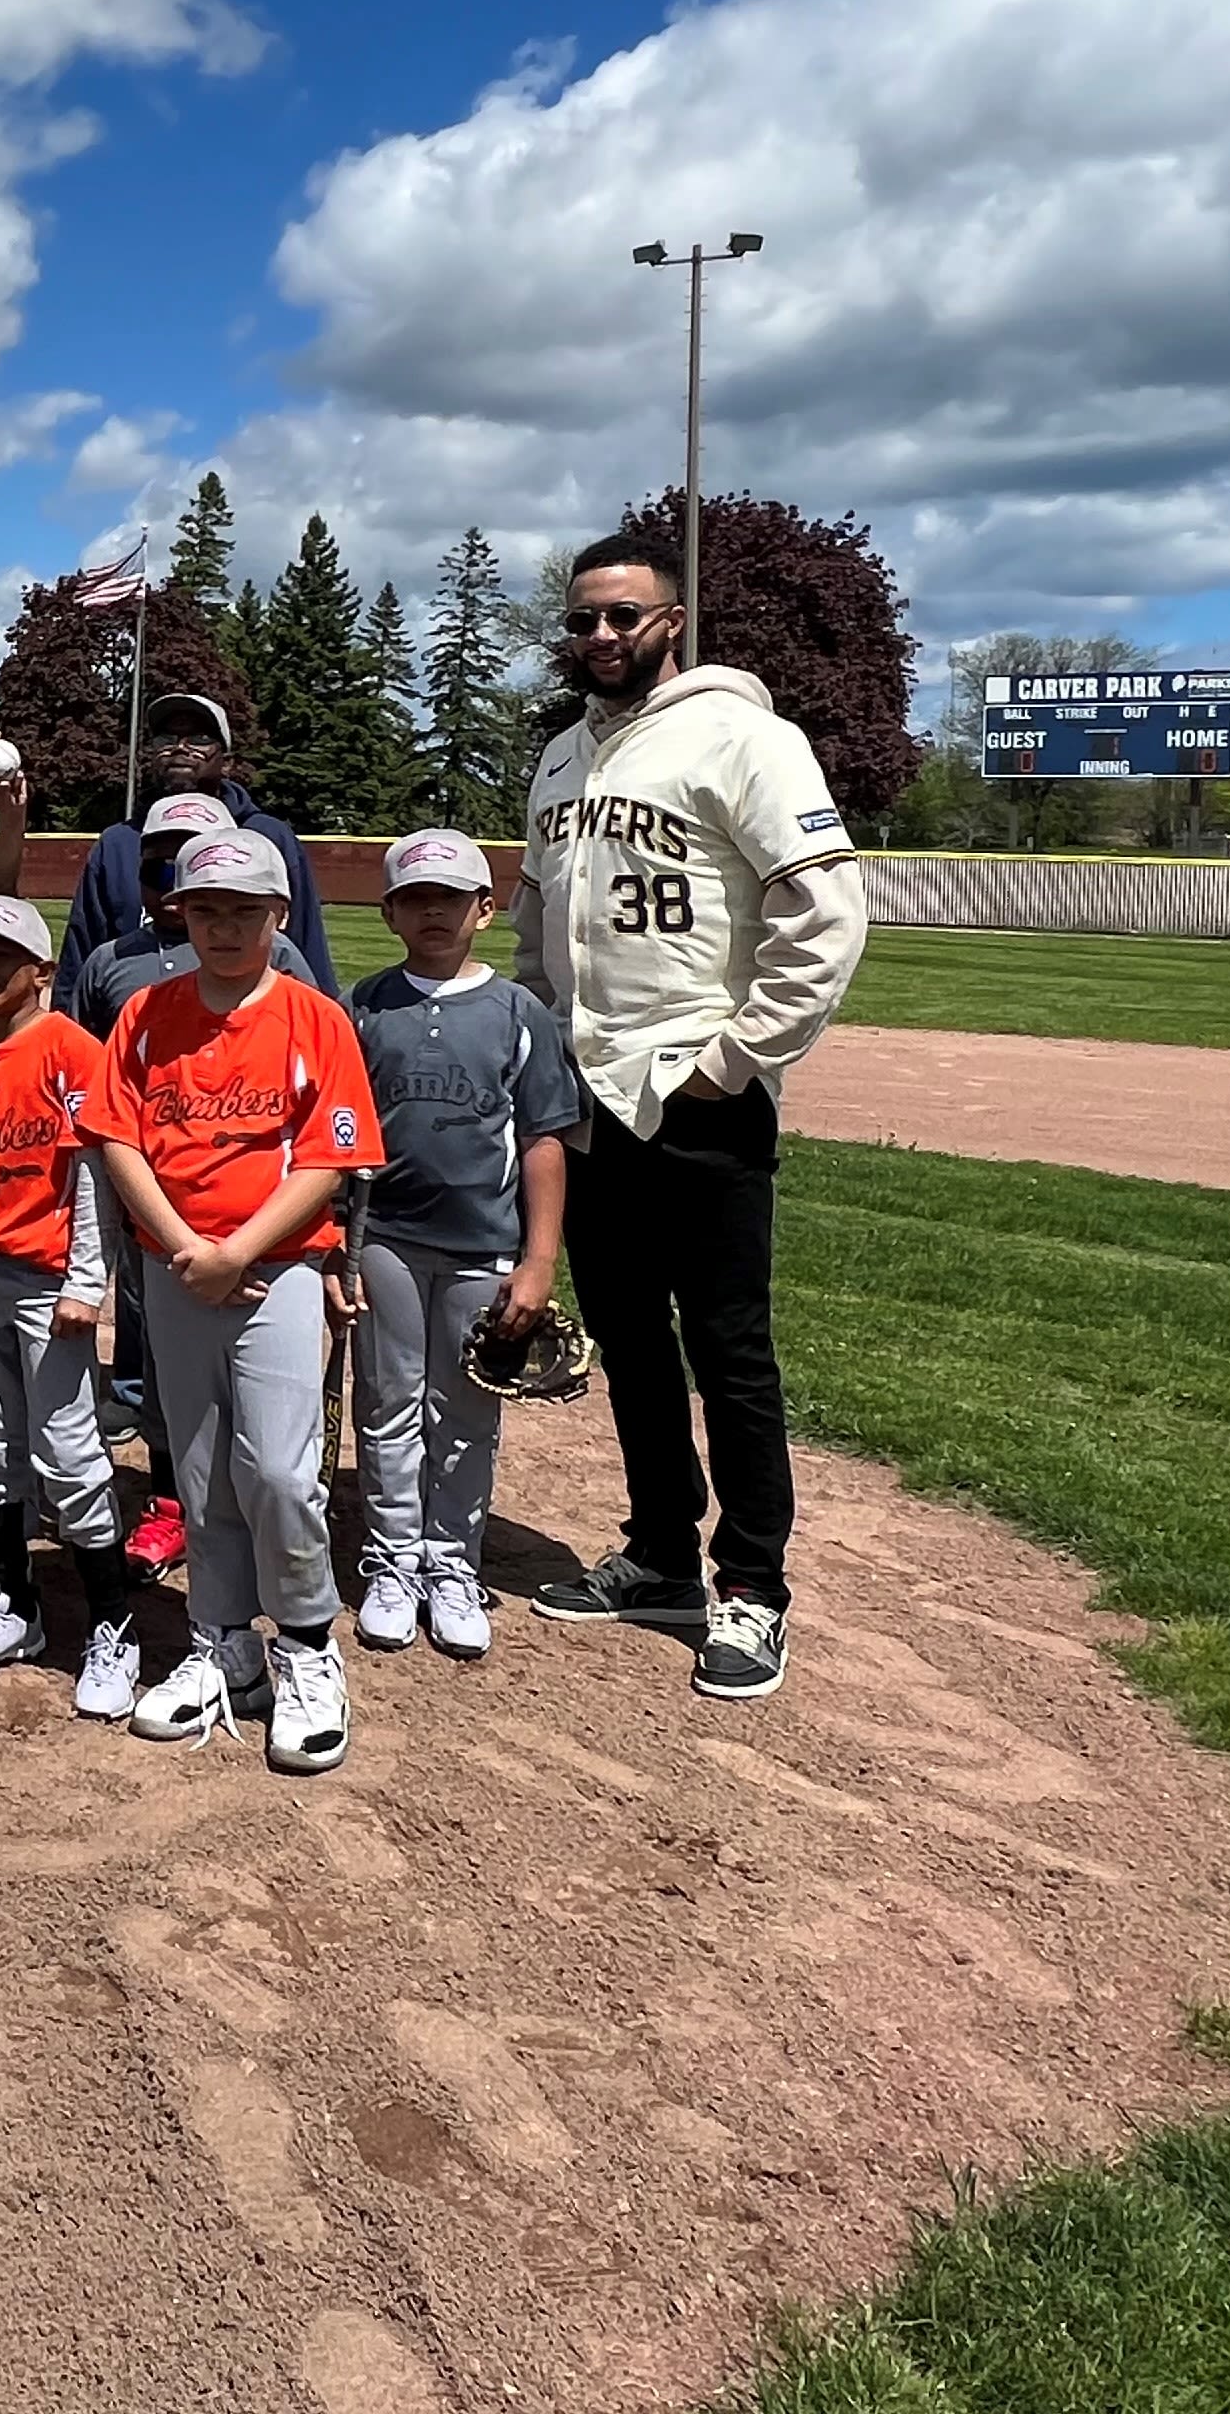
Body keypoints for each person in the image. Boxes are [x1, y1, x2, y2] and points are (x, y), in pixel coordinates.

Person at [515, 528, 867, 1703]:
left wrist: (735, 1060)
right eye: (583, 619)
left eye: (625, 616)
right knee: (630, 1349)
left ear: (672, 619)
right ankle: (663, 1552)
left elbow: (823, 916)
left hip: (698, 1099)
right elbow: (535, 930)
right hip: (588, 1095)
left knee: (730, 1353)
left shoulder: (746, 738)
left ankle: (754, 1587)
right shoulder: (561, 758)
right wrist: (528, 1042)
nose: (602, 637)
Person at [82, 831, 384, 1775]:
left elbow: (331, 1159)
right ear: (179, 911)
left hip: (279, 1269)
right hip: (177, 1271)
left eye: (245, 911)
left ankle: (305, 1646)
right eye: (207, 910)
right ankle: (222, 1643)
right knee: (202, 1468)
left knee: (283, 1473)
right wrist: (185, 1247)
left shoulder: (313, 1018)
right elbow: (115, 1138)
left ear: (279, 917)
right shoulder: (143, 1014)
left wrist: (238, 1251)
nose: (224, 927)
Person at [344, 829, 586, 1661]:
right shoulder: (366, 1004)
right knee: (387, 1404)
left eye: (451, 897)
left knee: (465, 1409)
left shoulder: (518, 1012)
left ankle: (453, 1564)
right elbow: (339, 1142)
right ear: (390, 913)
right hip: (385, 1239)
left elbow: (544, 1142)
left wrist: (539, 1259)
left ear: (486, 910)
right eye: (416, 898)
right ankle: (391, 1564)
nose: (433, 911)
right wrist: (336, 1248)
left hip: (484, 1243)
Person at [0, 900, 141, 1714]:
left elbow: (94, 1178)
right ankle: (10, 1602)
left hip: (47, 1282)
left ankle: (114, 1625)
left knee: (70, 1452)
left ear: (41, 971)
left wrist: (88, 1282)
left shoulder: (73, 1052)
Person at [60, 692, 339, 987]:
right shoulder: (118, 843)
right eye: (165, 739)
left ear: (227, 762)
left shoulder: (267, 837)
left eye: (199, 739)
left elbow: (306, 943)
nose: (179, 748)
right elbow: (80, 956)